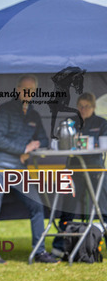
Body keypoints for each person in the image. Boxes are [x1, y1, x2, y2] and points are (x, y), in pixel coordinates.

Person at [0, 74, 58, 264]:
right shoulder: (4, 110)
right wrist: (24, 149)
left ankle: (39, 252)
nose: (28, 92)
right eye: (25, 89)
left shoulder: (34, 114)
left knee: (37, 206)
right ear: (17, 89)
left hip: (19, 168)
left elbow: (44, 140)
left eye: (31, 90)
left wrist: (30, 150)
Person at [53, 92, 107, 255]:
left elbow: (104, 146)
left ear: (93, 107)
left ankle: (102, 234)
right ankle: (59, 246)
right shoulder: (69, 123)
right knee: (68, 207)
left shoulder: (101, 123)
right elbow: (58, 144)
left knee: (103, 206)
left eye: (87, 106)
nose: (83, 109)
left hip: (95, 170)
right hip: (74, 169)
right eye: (81, 106)